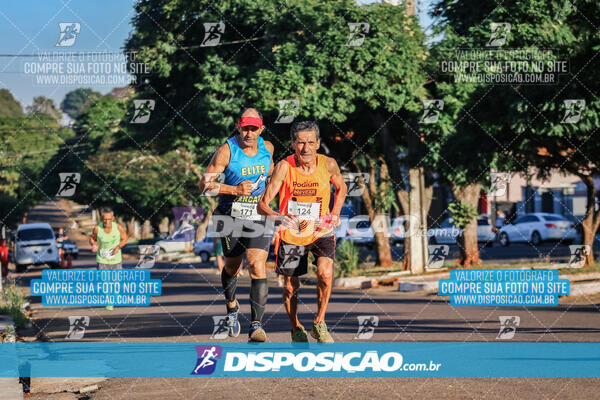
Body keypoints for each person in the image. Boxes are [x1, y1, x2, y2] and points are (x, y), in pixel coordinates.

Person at [258, 120, 347, 342]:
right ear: (292, 144)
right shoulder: (284, 167)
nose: (305, 148)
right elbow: (263, 204)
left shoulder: (329, 164)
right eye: (300, 143)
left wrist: (334, 212)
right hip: (293, 234)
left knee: (325, 273)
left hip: (320, 230)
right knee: (290, 285)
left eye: (310, 142)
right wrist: (278, 217)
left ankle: (319, 322)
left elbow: (342, 187)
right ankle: (296, 326)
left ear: (318, 143)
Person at [199, 108, 274, 342]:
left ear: (261, 129)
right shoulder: (226, 150)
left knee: (256, 264)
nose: (249, 133)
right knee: (232, 266)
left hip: (258, 214)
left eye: (254, 128)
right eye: (245, 128)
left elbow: (272, 175)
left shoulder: (268, 148)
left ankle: (256, 325)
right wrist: (234, 189)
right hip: (230, 214)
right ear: (238, 127)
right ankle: (232, 307)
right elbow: (204, 185)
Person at [89, 209, 128, 311]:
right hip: (102, 259)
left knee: (116, 281)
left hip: (116, 258)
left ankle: (115, 294)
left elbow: (125, 238)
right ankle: (109, 302)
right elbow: (92, 238)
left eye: (109, 219)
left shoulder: (118, 227)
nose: (106, 221)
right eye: (104, 219)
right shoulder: (97, 228)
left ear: (113, 219)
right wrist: (94, 244)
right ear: (102, 219)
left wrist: (118, 247)